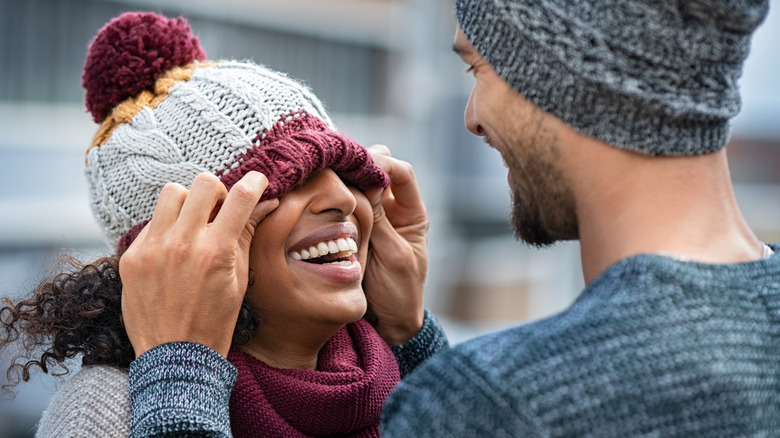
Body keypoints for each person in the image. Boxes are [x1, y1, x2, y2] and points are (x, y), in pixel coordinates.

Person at [117, 0, 780, 436]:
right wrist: (412, 335)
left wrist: (178, 377)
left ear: (555, 77)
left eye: (478, 68)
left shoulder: (492, 403)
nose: (473, 116)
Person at [0, 12, 446, 438]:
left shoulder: (401, 368)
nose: (344, 198)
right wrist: (182, 374)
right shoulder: (107, 409)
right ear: (180, 250)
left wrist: (412, 336)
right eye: (287, 180)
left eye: (344, 171)